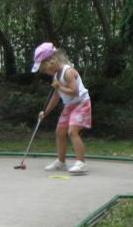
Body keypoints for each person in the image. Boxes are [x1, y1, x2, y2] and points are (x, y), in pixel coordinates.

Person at [31, 42, 91, 174]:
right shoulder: (56, 75)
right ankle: (61, 162)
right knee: (60, 132)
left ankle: (81, 163)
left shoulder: (68, 72)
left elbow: (74, 91)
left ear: (51, 62)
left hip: (81, 103)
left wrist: (59, 87)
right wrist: (45, 112)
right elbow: (56, 96)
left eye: (44, 69)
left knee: (72, 131)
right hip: (69, 105)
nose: (45, 72)